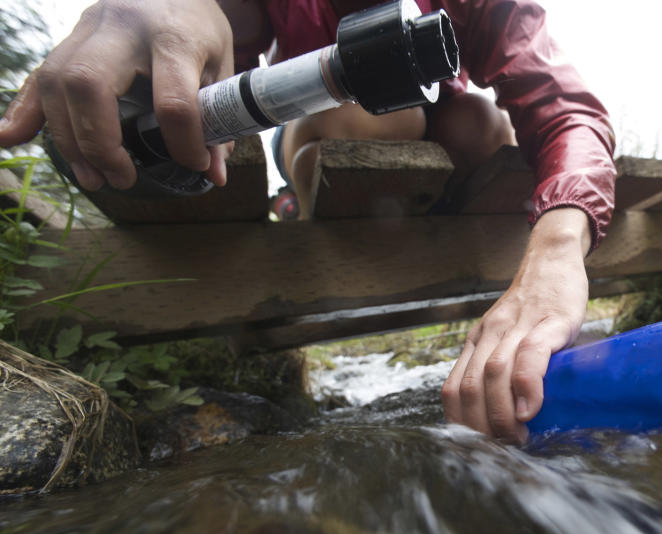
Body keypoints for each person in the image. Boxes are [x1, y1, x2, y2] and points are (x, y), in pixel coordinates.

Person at [0, 0, 616, 443]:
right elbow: (213, 27)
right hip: (326, 126)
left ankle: (431, 221)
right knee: (368, 120)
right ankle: (304, 200)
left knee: (481, 122)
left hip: (447, 143)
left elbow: (566, 109)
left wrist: (559, 245)